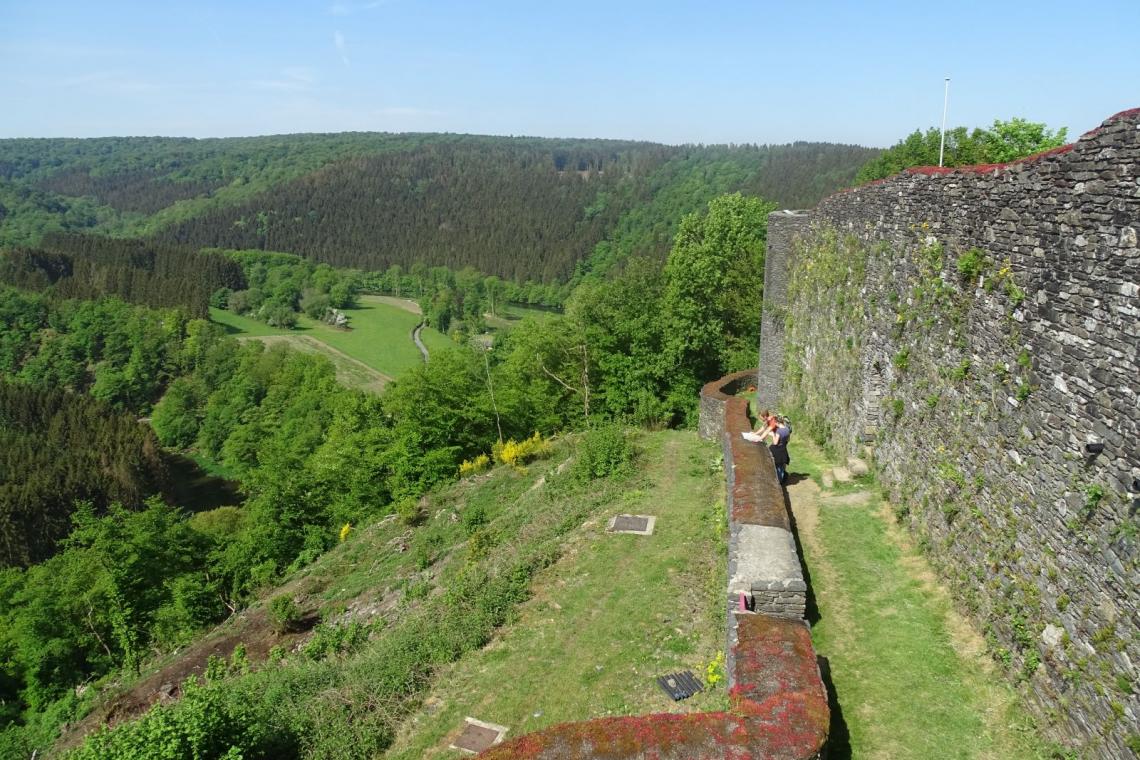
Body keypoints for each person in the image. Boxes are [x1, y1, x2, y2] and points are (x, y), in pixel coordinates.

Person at [769, 416, 791, 485]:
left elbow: (775, 443)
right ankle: (781, 480)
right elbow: (788, 440)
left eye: (775, 423)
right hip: (783, 449)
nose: (775, 424)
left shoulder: (779, 431)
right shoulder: (787, 429)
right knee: (782, 466)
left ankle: (779, 482)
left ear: (778, 422)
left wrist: (772, 435)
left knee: (777, 467)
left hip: (777, 450)